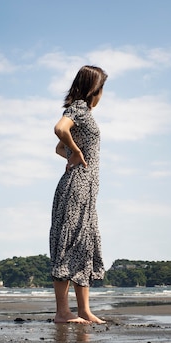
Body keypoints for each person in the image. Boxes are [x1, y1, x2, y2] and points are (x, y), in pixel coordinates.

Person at [50, 65, 108, 324]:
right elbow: (60, 130)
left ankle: (84, 309)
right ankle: (63, 312)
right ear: (94, 88)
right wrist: (76, 152)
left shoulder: (85, 114)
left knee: (82, 244)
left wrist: (71, 153)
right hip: (76, 186)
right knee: (68, 242)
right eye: (102, 88)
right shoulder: (79, 109)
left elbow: (58, 149)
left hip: (85, 188)